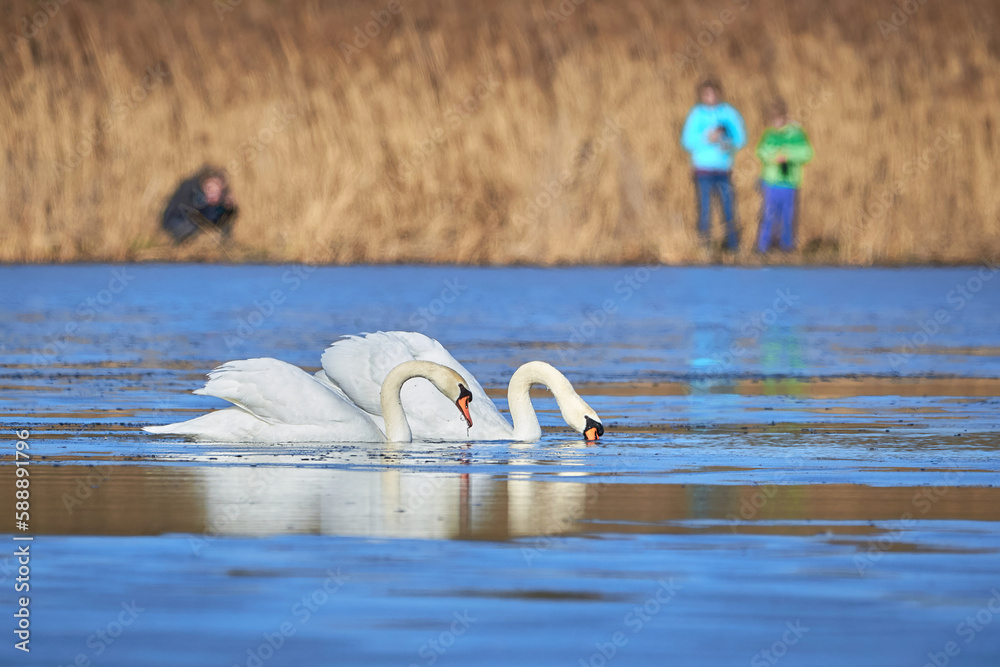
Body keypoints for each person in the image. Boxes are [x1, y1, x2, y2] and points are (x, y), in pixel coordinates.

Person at [681, 80, 747, 251]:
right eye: (706, 94)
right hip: (702, 170)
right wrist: (706, 138)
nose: (710, 98)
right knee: (705, 209)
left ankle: (733, 246)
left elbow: (740, 138)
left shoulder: (729, 113)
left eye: (713, 93)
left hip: (724, 169)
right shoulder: (696, 114)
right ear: (702, 96)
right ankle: (705, 247)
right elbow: (687, 141)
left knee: (728, 207)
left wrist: (727, 143)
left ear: (719, 94)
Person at [755, 99, 814, 253]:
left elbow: (807, 153)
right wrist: (775, 155)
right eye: (773, 119)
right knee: (768, 215)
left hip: (789, 183)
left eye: (779, 118)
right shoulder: (769, 135)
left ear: (785, 117)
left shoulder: (796, 134)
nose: (776, 122)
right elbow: (761, 152)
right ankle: (763, 246)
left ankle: (787, 246)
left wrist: (788, 154)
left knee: (788, 216)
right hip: (771, 182)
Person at [161, 165, 238, 244]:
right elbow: (189, 213)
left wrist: (229, 209)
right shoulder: (191, 192)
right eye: (210, 188)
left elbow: (217, 219)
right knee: (188, 229)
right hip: (179, 220)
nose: (213, 192)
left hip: (196, 220)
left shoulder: (221, 200)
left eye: (217, 188)